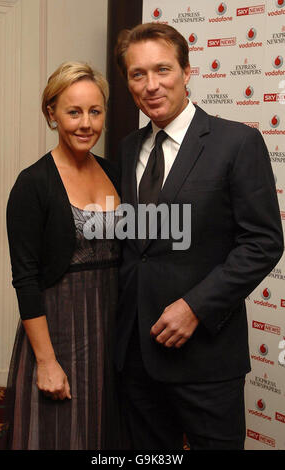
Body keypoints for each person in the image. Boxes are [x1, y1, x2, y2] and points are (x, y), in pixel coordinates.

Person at [114, 23, 284, 450]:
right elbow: (138, 249)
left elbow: (263, 241)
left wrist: (195, 305)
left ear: (187, 72)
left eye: (163, 70)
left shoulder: (237, 142)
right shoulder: (127, 148)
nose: (151, 85)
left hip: (205, 358)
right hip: (137, 357)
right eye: (138, 74)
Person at [5, 61, 124, 450]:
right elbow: (25, 277)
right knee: (59, 435)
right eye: (74, 112)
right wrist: (46, 361)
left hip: (109, 330)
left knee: (104, 434)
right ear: (51, 113)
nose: (85, 123)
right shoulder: (33, 183)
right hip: (58, 331)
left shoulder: (114, 173)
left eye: (95, 111)